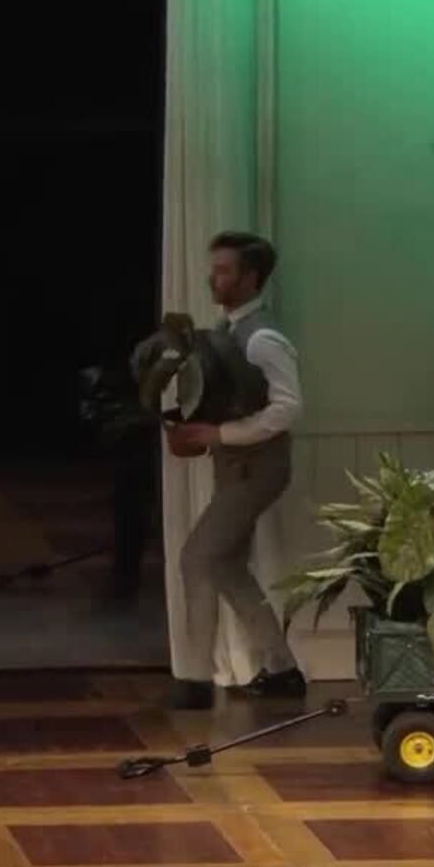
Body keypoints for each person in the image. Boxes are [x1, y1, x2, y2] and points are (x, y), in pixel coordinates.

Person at [165, 232, 305, 708]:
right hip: (237, 468)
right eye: (214, 269)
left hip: (257, 469)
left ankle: (195, 681)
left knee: (197, 558)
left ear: (250, 277)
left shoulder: (263, 338)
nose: (213, 278)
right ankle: (282, 669)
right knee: (224, 564)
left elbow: (288, 407)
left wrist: (221, 434)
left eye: (224, 270)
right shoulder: (227, 330)